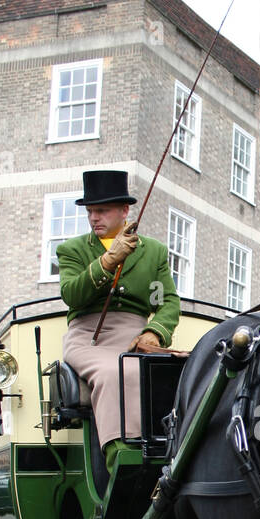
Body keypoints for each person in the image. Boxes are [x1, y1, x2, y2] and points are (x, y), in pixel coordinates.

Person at [57, 170, 180, 474]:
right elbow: (71, 295)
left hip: (135, 335)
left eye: (101, 211)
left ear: (124, 211)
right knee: (115, 371)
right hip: (89, 337)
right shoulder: (73, 250)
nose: (94, 218)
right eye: (90, 212)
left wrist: (154, 332)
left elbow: (168, 301)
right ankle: (121, 456)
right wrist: (107, 262)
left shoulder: (153, 252)